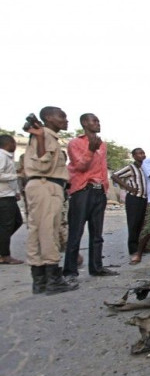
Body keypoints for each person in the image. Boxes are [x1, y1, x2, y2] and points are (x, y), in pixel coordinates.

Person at [23, 106, 78, 294]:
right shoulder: (43, 135)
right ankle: (53, 279)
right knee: (48, 232)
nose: (66, 120)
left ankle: (39, 281)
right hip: (46, 186)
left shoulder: (45, 135)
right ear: (47, 117)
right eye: (61, 116)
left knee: (37, 232)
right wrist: (39, 137)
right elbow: (42, 163)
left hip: (40, 186)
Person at [63, 113, 117, 279]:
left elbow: (102, 167)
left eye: (98, 120)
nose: (98, 123)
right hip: (82, 191)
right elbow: (80, 166)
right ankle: (70, 271)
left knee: (97, 233)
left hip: (98, 190)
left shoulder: (103, 145)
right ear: (85, 123)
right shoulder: (75, 143)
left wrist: (105, 188)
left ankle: (96, 267)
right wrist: (91, 150)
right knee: (76, 232)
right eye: (94, 121)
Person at [112, 148, 148, 262]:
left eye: (143, 153)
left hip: (143, 198)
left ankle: (140, 246)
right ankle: (133, 249)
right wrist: (127, 187)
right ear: (134, 156)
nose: (142, 155)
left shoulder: (145, 168)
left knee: (142, 223)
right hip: (134, 198)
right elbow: (115, 176)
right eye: (139, 153)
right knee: (133, 223)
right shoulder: (131, 168)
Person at [0, 135, 23, 265]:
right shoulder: (2, 156)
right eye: (14, 143)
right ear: (9, 143)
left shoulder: (7, 157)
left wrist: (16, 192)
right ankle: (4, 255)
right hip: (3, 196)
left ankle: (2, 250)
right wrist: (17, 175)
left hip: (9, 194)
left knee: (17, 222)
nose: (15, 146)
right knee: (7, 225)